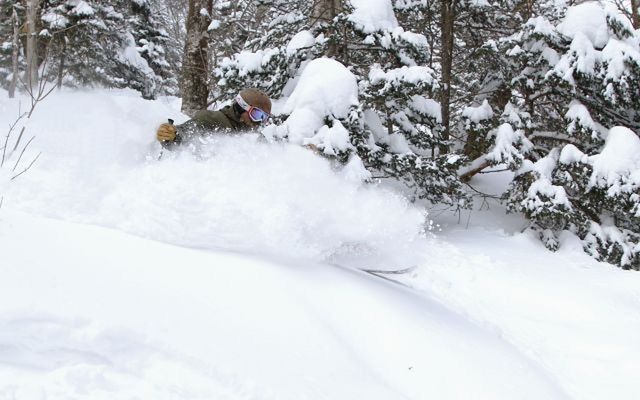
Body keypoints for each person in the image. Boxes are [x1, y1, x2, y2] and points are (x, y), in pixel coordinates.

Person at [156, 88, 272, 145]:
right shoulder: (211, 120)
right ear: (242, 107)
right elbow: (187, 132)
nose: (259, 121)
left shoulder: (254, 136)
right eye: (256, 114)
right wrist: (173, 135)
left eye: (264, 117)